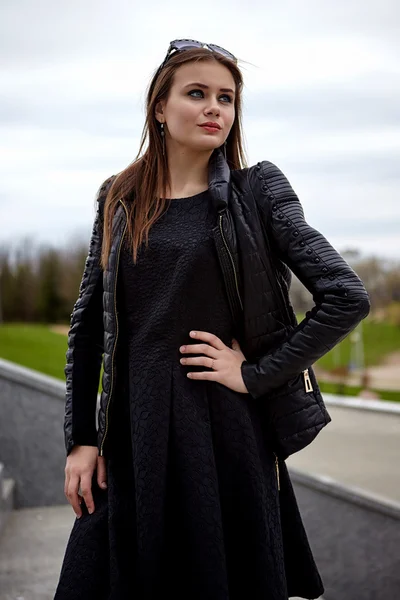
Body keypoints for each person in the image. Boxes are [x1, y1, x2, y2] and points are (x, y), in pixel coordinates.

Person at [54, 39, 370, 600]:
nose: (214, 108)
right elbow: (88, 323)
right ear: (159, 107)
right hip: (131, 430)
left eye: (226, 98)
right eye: (196, 93)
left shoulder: (258, 191)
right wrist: (81, 439)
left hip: (223, 431)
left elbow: (346, 295)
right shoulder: (119, 196)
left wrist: (253, 374)